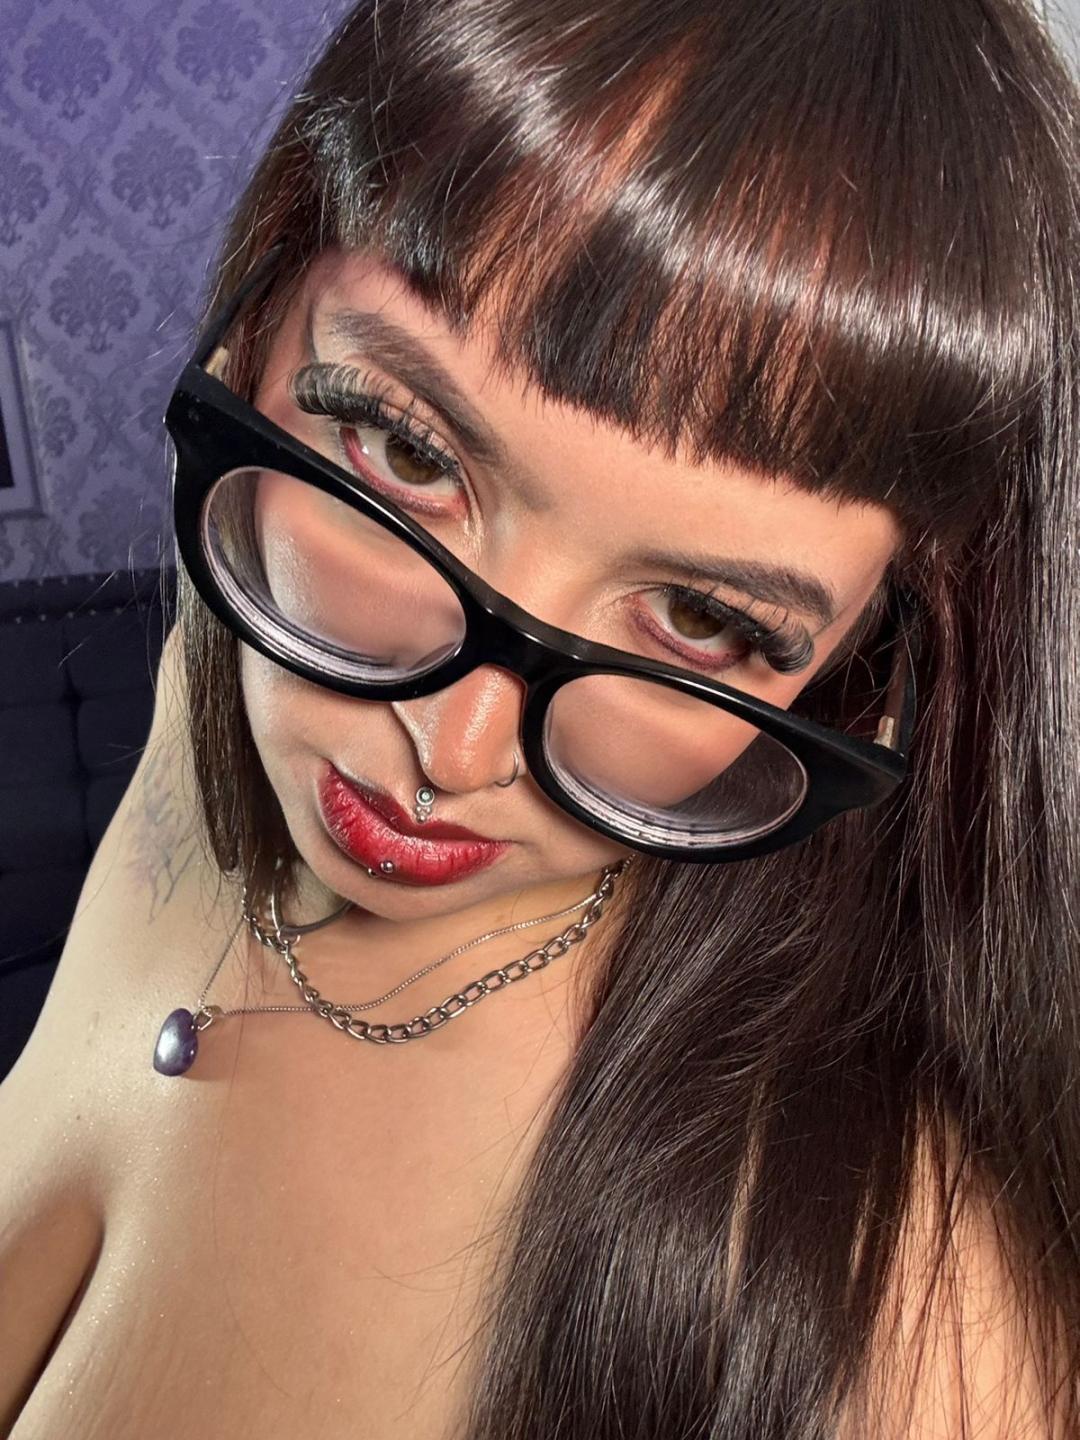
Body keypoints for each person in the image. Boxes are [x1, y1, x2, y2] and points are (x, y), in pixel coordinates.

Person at [2, 0, 1079, 1435]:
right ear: (260, 327)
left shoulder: (914, 1344)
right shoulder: (232, 649)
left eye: (703, 619)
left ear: (861, 668)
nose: (450, 751)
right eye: (406, 451)